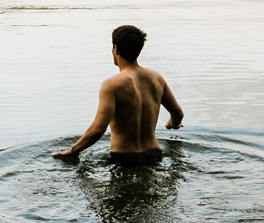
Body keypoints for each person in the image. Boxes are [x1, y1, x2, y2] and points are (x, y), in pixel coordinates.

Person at [54, 25, 184, 164]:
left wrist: (73, 150)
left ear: (115, 49)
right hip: (154, 155)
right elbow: (178, 114)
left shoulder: (111, 85)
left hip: (123, 158)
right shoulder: (157, 78)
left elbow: (98, 129)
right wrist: (172, 124)